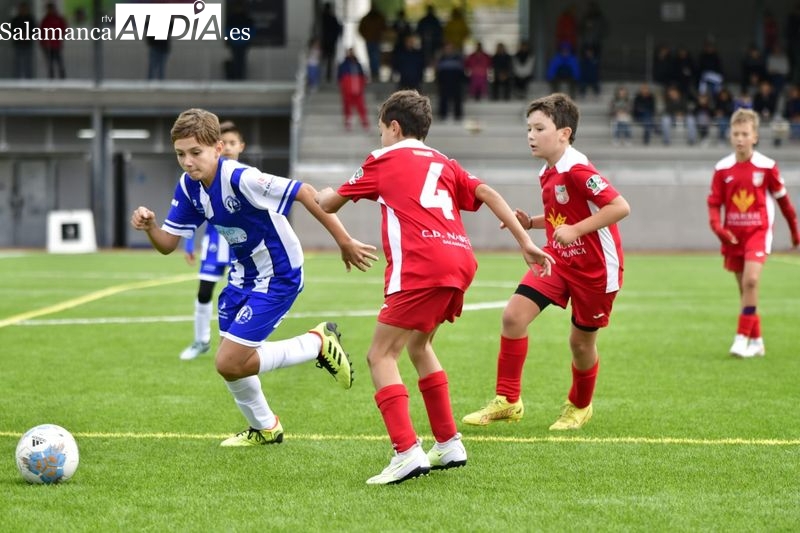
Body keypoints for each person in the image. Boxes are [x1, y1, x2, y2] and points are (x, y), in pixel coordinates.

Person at [315, 90, 554, 485]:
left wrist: (320, 192)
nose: (380, 139)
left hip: (420, 264)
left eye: (381, 131)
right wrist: (525, 242)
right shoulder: (444, 161)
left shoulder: (382, 159)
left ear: (393, 127)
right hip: (459, 260)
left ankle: (406, 452)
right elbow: (489, 194)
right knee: (419, 345)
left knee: (380, 356)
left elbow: (329, 204)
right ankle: (448, 443)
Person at [130, 108, 378, 446]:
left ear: (218, 148)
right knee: (233, 363)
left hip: (278, 273)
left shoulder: (240, 178)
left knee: (229, 362)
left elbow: (304, 191)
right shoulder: (190, 187)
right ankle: (265, 427)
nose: (187, 162)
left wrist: (344, 240)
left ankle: (317, 343)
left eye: (195, 153)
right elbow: (167, 244)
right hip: (242, 276)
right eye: (180, 154)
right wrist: (150, 227)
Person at [462, 93, 630, 431]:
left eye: (539, 128)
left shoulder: (578, 169)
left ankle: (580, 406)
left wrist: (577, 230)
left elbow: (619, 207)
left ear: (564, 133)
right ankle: (508, 400)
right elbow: (561, 217)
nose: (531, 135)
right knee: (513, 316)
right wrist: (532, 223)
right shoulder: (548, 171)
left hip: (595, 271)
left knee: (580, 344)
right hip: (558, 261)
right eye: (529, 129)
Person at [707, 108, 799, 358]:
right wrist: (719, 228)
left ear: (755, 136)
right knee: (745, 290)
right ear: (730, 135)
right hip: (733, 236)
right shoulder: (722, 169)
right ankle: (757, 341)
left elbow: (784, 203)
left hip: (758, 232)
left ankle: (741, 338)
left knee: (751, 281)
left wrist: (794, 231)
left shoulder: (767, 167)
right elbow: (714, 203)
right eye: (736, 133)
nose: (740, 138)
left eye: (745, 133)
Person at [178, 120, 245, 361]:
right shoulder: (203, 177)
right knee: (204, 291)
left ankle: (244, 343)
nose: (227, 147)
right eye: (224, 142)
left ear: (241, 146)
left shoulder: (246, 177)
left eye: (232, 143)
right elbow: (193, 212)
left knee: (242, 294)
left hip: (243, 246)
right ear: (217, 146)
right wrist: (188, 243)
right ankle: (200, 340)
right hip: (215, 245)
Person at [337, 48, 369, 131]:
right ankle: (348, 123)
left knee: (361, 106)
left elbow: (362, 76)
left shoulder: (358, 64)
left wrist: (362, 85)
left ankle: (364, 123)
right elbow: (340, 77)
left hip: (358, 89)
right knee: (347, 106)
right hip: (348, 88)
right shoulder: (343, 65)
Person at [225, 0, 254, 80]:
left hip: (239, 42)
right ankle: (238, 76)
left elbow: (251, 31)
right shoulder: (243, 18)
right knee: (238, 59)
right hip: (238, 42)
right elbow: (227, 30)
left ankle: (240, 76)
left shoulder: (243, 18)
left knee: (240, 59)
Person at [358, 3, 387, 82]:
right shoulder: (367, 18)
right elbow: (361, 29)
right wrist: (367, 37)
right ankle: (374, 74)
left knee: (375, 58)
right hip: (370, 41)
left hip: (375, 41)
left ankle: (375, 74)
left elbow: (384, 28)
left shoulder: (378, 18)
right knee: (372, 58)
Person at [39, 2, 67, 79]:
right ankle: (51, 77)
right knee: (50, 63)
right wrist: (42, 43)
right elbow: (42, 32)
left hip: (56, 44)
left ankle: (62, 77)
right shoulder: (45, 20)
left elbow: (63, 29)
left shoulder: (58, 19)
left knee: (59, 61)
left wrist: (59, 37)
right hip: (48, 45)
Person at [10, 2, 36, 79]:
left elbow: (34, 30)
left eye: (24, 9)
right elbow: (12, 30)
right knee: (17, 64)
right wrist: (19, 35)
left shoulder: (30, 19)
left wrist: (27, 35)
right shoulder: (15, 19)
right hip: (18, 44)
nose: (23, 10)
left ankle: (29, 80)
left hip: (27, 44)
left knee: (28, 63)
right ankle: (17, 80)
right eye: (22, 9)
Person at [319, 1, 342, 83]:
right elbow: (339, 29)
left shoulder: (321, 19)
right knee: (328, 60)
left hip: (324, 42)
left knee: (322, 59)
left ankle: (321, 76)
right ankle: (327, 76)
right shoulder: (331, 18)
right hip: (330, 42)